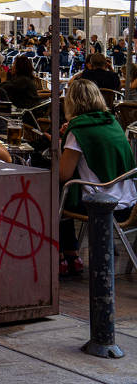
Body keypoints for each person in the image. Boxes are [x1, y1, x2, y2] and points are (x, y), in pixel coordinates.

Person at [58, 78, 136, 276]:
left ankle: (66, 254)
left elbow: (63, 174)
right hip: (129, 202)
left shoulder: (79, 130)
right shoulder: (113, 123)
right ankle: (71, 253)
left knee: (55, 193)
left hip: (103, 206)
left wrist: (61, 143)